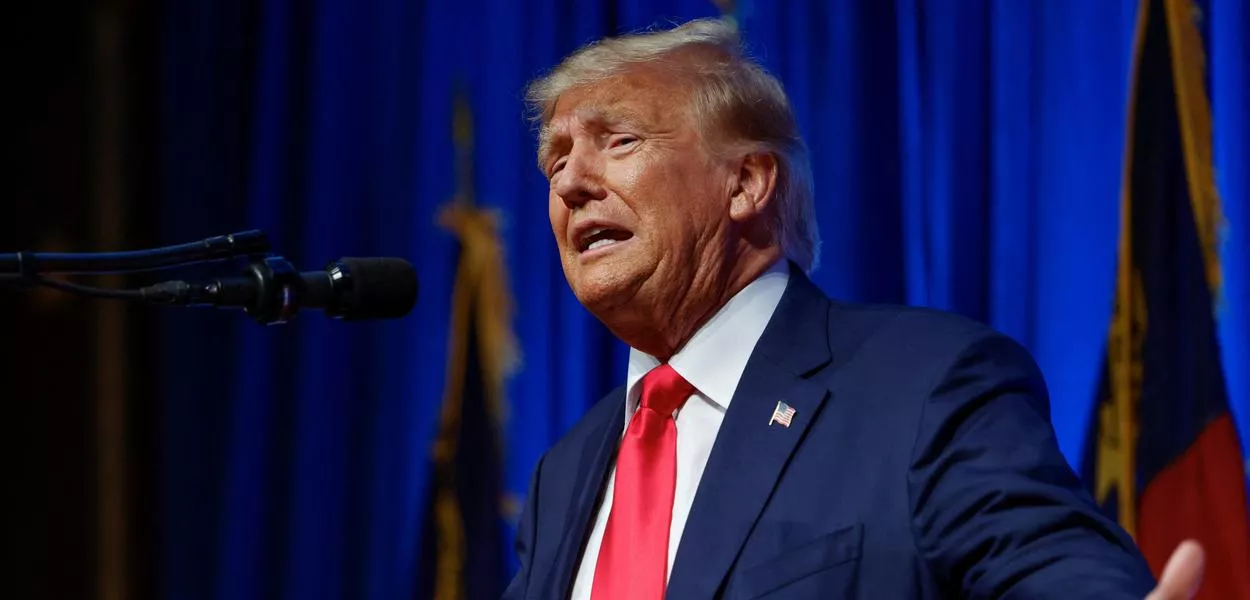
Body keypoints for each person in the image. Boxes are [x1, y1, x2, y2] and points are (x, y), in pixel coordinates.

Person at [504, 17, 1205, 600]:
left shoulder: (921, 385)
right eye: (556, 161)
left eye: (619, 141)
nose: (571, 183)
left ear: (746, 182)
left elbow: (1049, 570)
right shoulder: (564, 473)